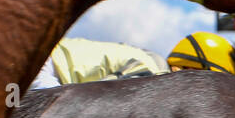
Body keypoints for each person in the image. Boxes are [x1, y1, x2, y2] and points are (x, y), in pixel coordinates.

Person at [30, 37, 167, 88]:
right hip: (45, 70)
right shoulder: (152, 70)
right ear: (178, 68)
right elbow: (105, 93)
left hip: (46, 57)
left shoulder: (145, 57)